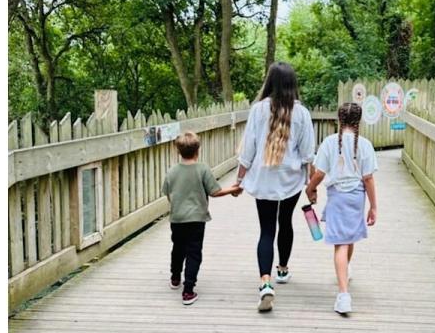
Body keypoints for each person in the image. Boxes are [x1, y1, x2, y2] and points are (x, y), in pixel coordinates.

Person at [234, 62, 316, 312]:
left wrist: (239, 180)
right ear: (293, 84)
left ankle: (265, 283)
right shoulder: (301, 113)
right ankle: (282, 269)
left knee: (266, 230)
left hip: (264, 179)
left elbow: (247, 151)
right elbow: (307, 155)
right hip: (291, 180)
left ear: (269, 82)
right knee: (286, 222)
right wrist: (312, 187)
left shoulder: (258, 110)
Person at [304, 102, 378, 315]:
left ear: (339, 120)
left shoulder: (329, 143)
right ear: (359, 121)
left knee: (340, 244)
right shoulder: (365, 144)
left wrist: (311, 189)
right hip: (356, 197)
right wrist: (373, 206)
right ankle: (345, 271)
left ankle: (343, 295)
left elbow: (318, 173)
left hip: (337, 197)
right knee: (349, 238)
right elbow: (369, 178)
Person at [162, 131, 242, 305]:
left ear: (178, 151)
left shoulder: (172, 171)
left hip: (177, 218)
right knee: (194, 253)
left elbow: (168, 194)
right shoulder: (202, 169)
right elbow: (215, 192)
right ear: (198, 150)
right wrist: (233, 190)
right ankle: (188, 290)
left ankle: (175, 277)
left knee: (178, 248)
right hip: (197, 218)